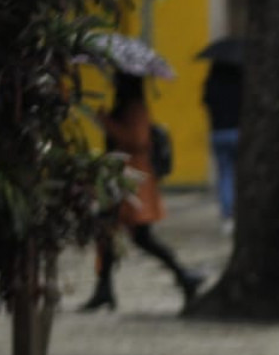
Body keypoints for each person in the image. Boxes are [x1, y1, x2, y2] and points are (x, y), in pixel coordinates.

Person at [80, 73, 205, 312]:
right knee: (108, 232)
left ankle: (183, 275)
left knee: (138, 237)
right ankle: (104, 289)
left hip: (132, 182)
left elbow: (136, 140)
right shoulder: (127, 107)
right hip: (121, 180)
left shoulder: (135, 108)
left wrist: (106, 122)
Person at [201, 55, 242, 227]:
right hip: (238, 131)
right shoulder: (241, 82)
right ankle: (238, 208)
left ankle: (227, 213)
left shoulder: (212, 83)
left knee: (225, 173)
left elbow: (206, 102)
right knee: (239, 173)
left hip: (218, 133)